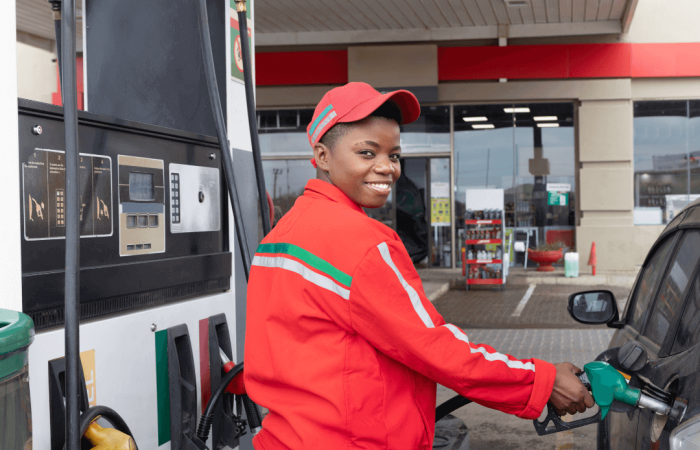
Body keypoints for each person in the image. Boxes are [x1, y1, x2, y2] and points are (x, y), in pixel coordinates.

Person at [244, 82, 594, 449]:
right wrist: (541, 380)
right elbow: (439, 351)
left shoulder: (278, 239)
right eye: (367, 153)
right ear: (322, 156)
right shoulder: (363, 242)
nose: (386, 168)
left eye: (394, 155)